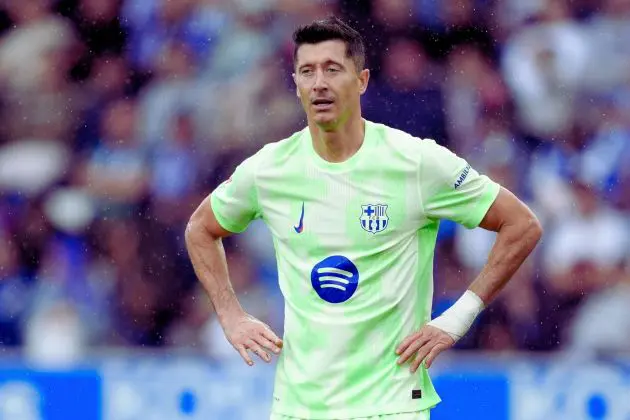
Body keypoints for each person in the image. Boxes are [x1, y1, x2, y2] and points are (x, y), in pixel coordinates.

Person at [185, 16, 542, 420]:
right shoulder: (268, 169)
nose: (319, 82)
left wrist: (457, 318)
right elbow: (200, 228)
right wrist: (230, 314)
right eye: (307, 71)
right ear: (297, 84)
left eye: (332, 69)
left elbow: (522, 224)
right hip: (300, 408)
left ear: (362, 81)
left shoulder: (417, 162)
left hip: (391, 407)